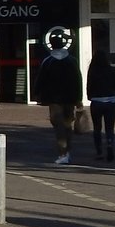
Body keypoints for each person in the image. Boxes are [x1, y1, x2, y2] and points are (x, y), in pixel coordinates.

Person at [36, 27, 82, 165]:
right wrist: (78, 98)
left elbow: (40, 80)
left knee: (59, 127)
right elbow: (77, 80)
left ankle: (62, 153)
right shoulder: (72, 61)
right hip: (69, 99)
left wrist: (39, 95)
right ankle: (68, 151)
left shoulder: (48, 61)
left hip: (54, 100)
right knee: (67, 125)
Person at [86, 51, 115, 162]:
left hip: (97, 101)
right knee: (110, 127)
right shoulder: (111, 70)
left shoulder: (93, 71)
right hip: (110, 101)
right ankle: (109, 144)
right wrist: (114, 96)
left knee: (97, 127)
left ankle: (99, 151)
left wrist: (90, 96)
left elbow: (89, 85)